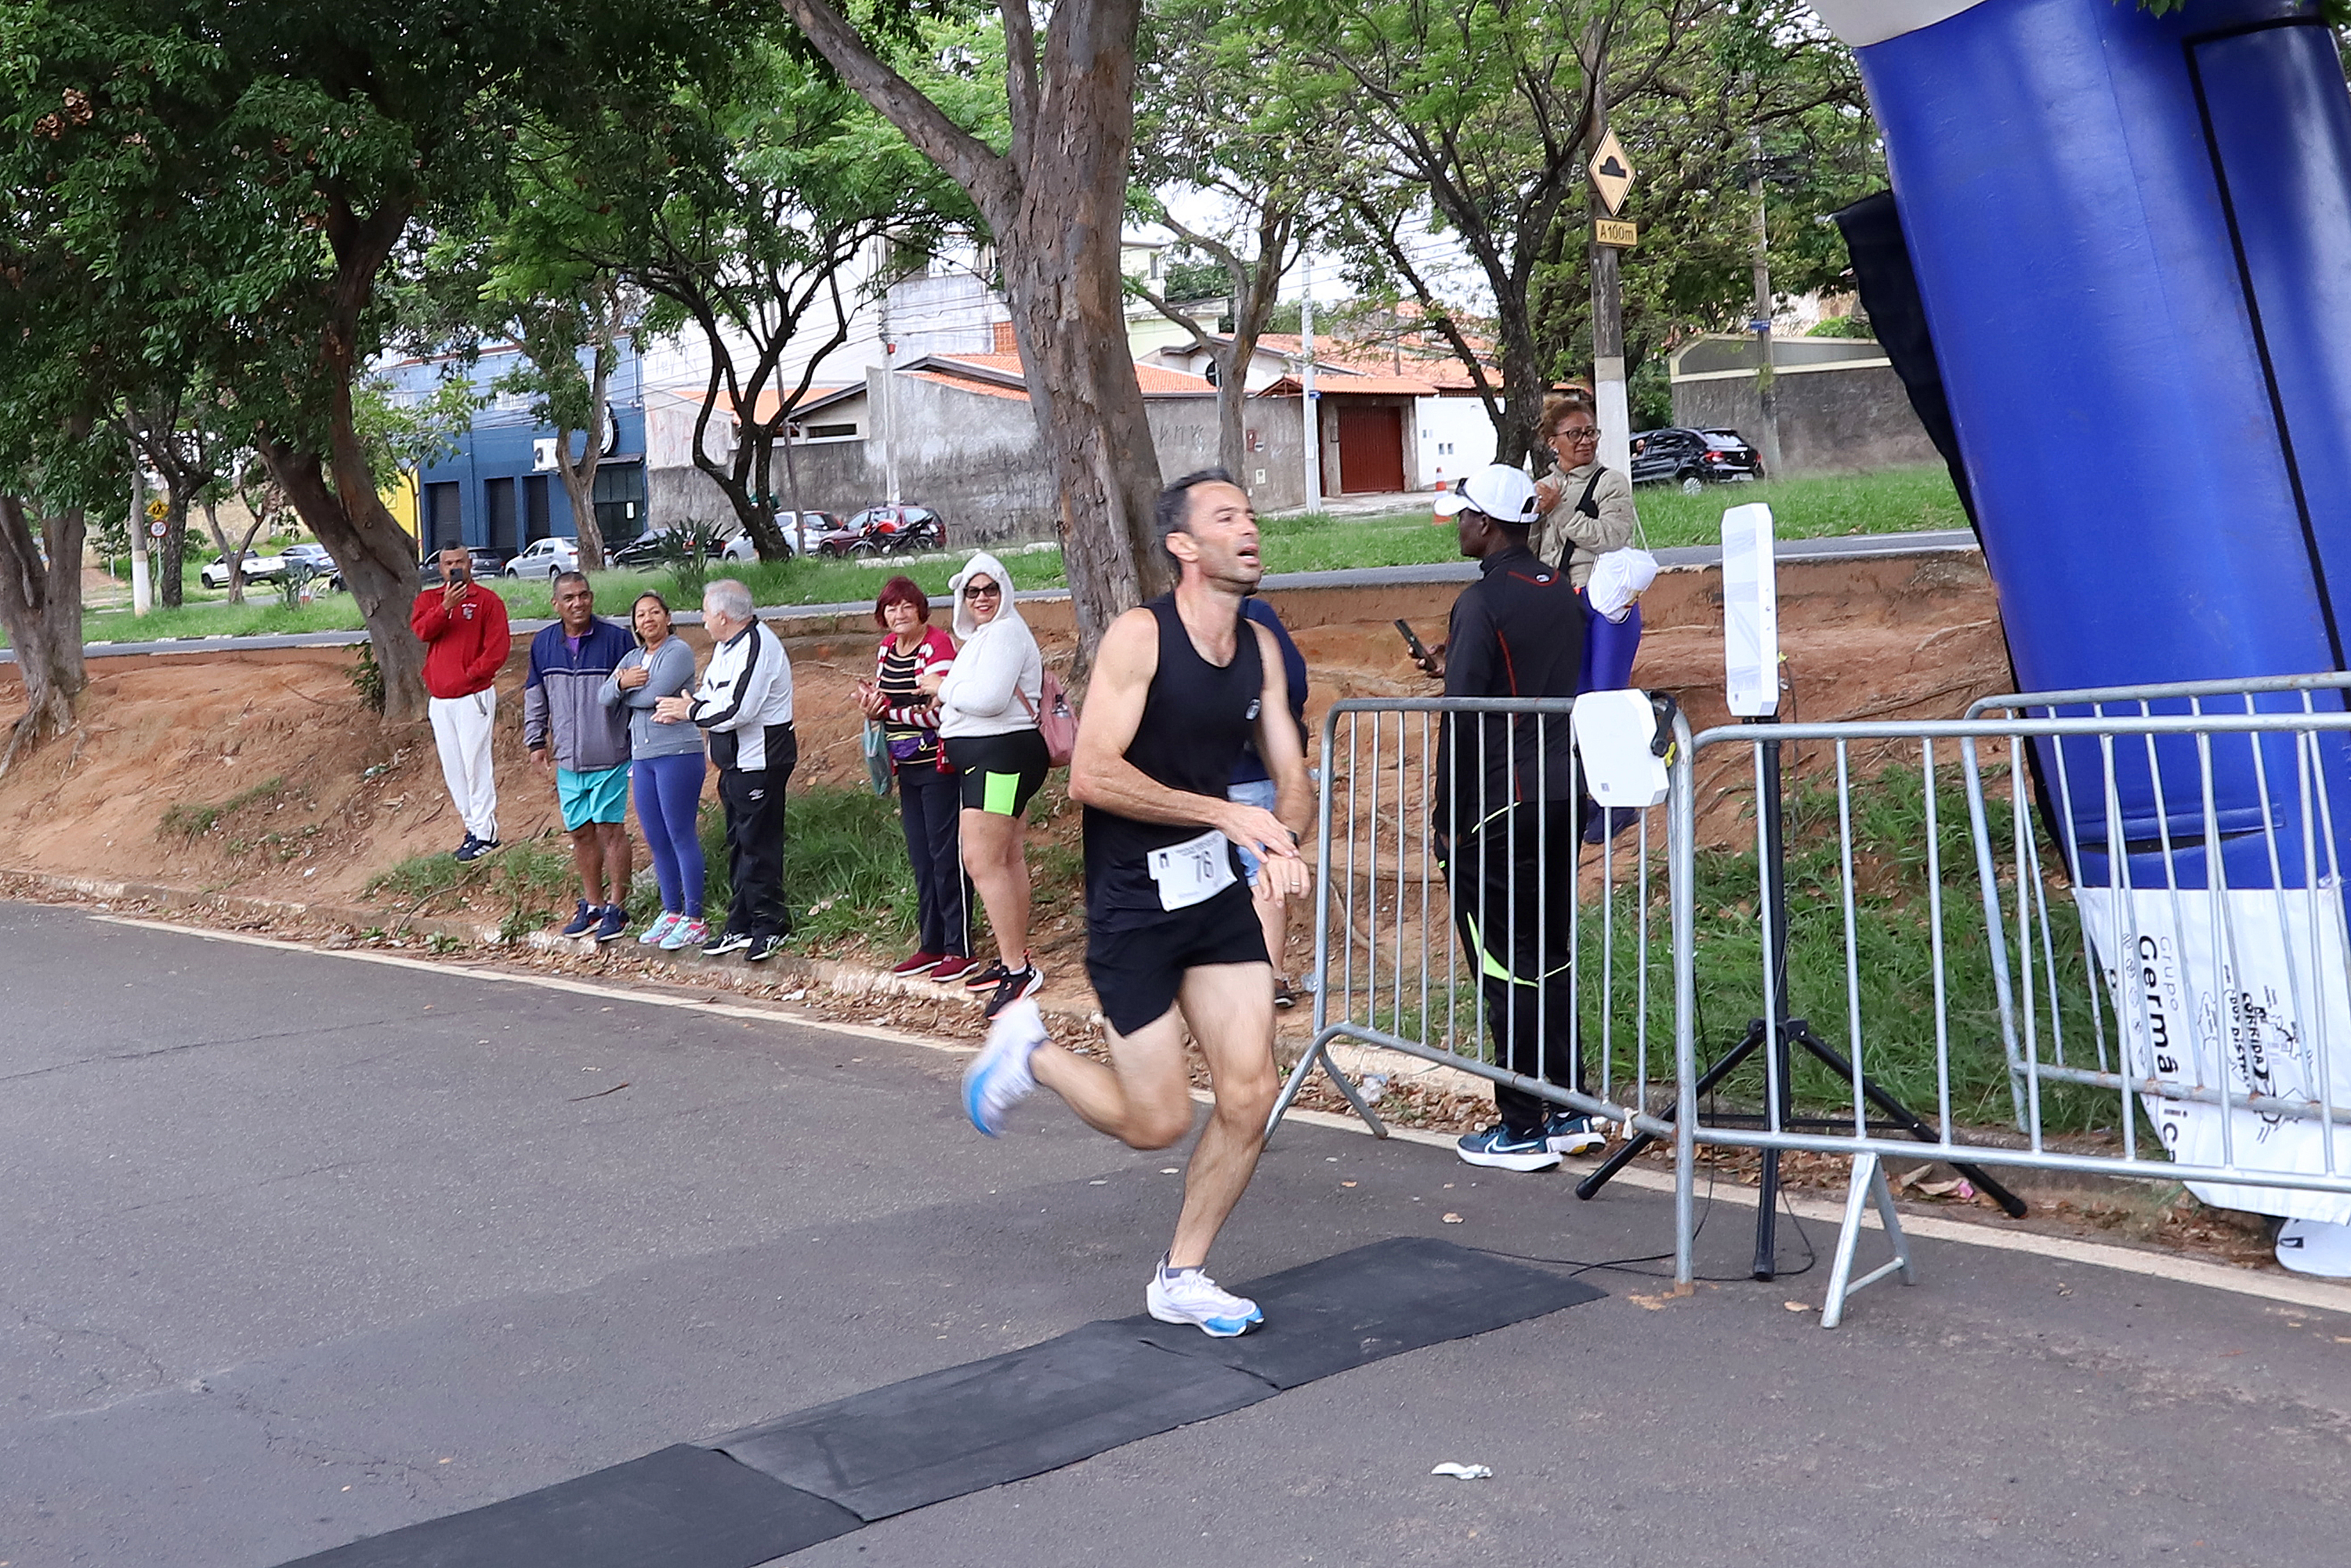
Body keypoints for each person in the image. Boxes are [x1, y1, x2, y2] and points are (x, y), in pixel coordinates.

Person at [961, 469, 1311, 1338]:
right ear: (1184, 546)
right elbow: (1093, 774)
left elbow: (1293, 781)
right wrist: (1229, 812)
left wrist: (1278, 839)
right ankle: (1029, 1049)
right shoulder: (1139, 637)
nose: (1250, 528)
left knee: (1250, 1091)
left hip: (1213, 893)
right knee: (1156, 1122)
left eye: (1252, 515)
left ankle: (1182, 1274)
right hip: (1133, 903)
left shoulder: (1259, 647)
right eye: (1227, 517)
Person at [1415, 462, 1604, 1172]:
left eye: (1462, 516)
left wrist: (1443, 815)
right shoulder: (1558, 589)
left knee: (1503, 960)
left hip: (1496, 803)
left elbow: (1461, 717)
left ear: (1486, 524)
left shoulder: (1480, 601)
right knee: (1549, 952)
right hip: (1562, 793)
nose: (1457, 527)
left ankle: (1521, 1124)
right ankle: (1569, 1107)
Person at [923, 552, 1048, 1019]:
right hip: (992, 759)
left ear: (1005, 592)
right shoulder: (984, 637)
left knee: (981, 859)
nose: (981, 599)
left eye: (990, 590)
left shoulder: (1006, 633)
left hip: (999, 761)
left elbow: (991, 700)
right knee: (1006, 856)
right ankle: (1013, 957)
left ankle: (1018, 969)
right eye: (971, 592)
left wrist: (941, 687)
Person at [654, 578, 795, 963]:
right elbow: (714, 694)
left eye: (704, 612)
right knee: (737, 841)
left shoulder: (758, 645)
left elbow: (738, 710)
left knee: (758, 844)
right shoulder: (725, 647)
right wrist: (693, 702)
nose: (701, 620)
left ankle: (770, 925)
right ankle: (741, 923)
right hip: (733, 761)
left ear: (722, 615)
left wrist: (691, 711)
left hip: (760, 761)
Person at [857, 575, 970, 982]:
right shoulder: (888, 648)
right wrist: (875, 707)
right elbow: (889, 700)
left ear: (921, 609)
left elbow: (939, 712)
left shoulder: (937, 645)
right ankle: (931, 945)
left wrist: (888, 711)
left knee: (946, 856)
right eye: (890, 608)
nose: (899, 614)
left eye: (907, 606)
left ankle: (960, 948)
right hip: (905, 764)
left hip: (939, 764)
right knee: (921, 857)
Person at [523, 570, 636, 942]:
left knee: (610, 830)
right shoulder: (543, 644)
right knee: (581, 832)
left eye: (584, 596)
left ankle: (618, 908)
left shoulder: (618, 640)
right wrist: (535, 741)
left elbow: (634, 693)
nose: (578, 604)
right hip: (568, 758)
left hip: (610, 754)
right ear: (555, 604)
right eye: (569, 598)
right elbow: (536, 695)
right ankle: (592, 905)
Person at [603, 591, 708, 953]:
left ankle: (695, 918)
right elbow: (604, 696)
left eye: (654, 612)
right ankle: (672, 912)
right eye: (640, 615)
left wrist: (626, 690)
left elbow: (655, 693)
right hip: (642, 756)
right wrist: (619, 683)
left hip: (677, 752)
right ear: (634, 624)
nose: (647, 619)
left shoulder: (677, 651)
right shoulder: (632, 657)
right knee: (655, 837)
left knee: (681, 834)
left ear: (667, 617)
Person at [1531, 391, 1643, 693]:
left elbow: (1612, 537)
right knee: (1572, 693)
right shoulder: (1543, 486)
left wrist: (1560, 509)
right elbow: (1533, 552)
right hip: (1559, 601)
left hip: (1604, 600)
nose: (1586, 441)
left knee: (1606, 691)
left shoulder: (1610, 482)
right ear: (1552, 442)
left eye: (1591, 432)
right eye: (1575, 434)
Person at [1230, 595, 1309, 1009]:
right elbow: (1295, 681)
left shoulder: (1159, 620)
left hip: (1202, 778)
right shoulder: (1255, 616)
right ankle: (1270, 975)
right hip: (1251, 770)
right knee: (1264, 867)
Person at [410, 546, 511, 862]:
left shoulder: (487, 601)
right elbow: (422, 632)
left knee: (475, 765)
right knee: (454, 769)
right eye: (448, 563)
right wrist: (445, 607)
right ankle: (472, 828)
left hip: (473, 697)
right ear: (440, 568)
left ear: (470, 564)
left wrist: (471, 676)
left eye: (460, 562)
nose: (455, 567)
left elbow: (498, 648)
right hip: (440, 701)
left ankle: (486, 833)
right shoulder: (428, 600)